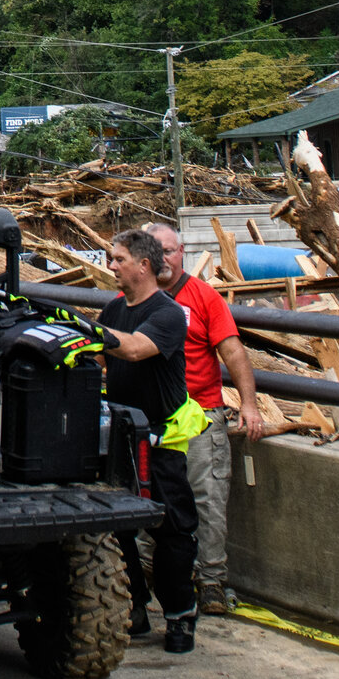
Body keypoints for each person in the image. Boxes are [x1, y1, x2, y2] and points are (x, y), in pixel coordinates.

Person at [145, 222, 266, 617]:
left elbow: (233, 354)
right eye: (154, 251)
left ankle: (212, 580)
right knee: (144, 498)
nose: (163, 259)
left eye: (169, 250)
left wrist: (249, 405)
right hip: (153, 418)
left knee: (207, 498)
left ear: (182, 252)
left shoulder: (204, 298)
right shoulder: (132, 298)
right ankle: (144, 574)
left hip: (200, 415)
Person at [101, 227, 204, 655]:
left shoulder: (167, 314)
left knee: (173, 530)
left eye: (118, 259)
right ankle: (136, 609)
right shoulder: (113, 309)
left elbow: (135, 350)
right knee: (118, 527)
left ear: (143, 265)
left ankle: (180, 615)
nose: (111, 266)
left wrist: (89, 335)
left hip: (160, 441)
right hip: (120, 436)